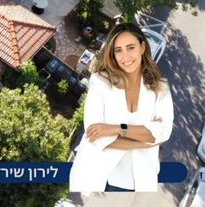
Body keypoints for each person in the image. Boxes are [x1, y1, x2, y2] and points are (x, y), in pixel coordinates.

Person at [69, 22, 174, 192]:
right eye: (118, 50)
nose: (125, 56)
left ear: (142, 47)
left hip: (136, 181)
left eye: (130, 47)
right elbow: (95, 136)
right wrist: (146, 142)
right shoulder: (100, 82)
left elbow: (163, 132)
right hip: (94, 175)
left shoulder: (160, 88)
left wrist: (117, 129)